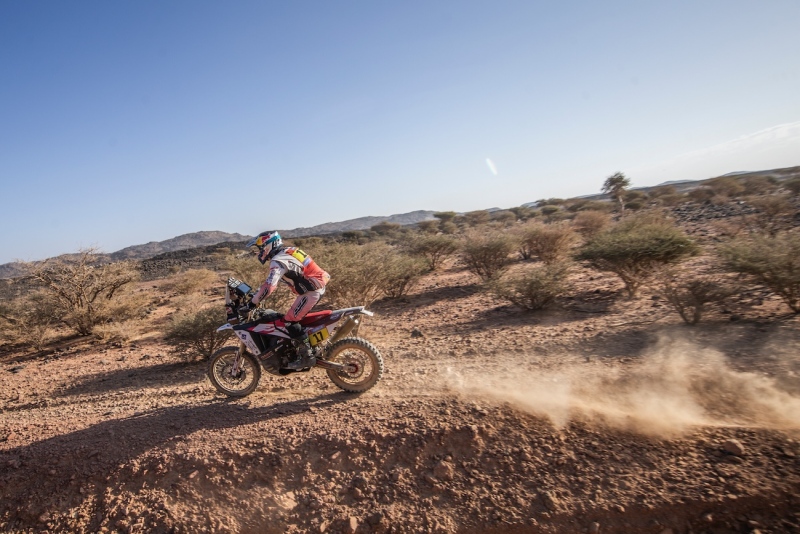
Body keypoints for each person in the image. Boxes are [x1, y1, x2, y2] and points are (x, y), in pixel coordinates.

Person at [246, 231, 330, 370]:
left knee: (290, 321)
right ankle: (306, 347)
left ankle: (307, 356)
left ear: (268, 245)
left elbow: (269, 286)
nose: (258, 252)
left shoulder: (278, 261)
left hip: (311, 291)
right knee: (293, 318)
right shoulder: (290, 250)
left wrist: (253, 302)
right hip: (316, 286)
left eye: (260, 248)